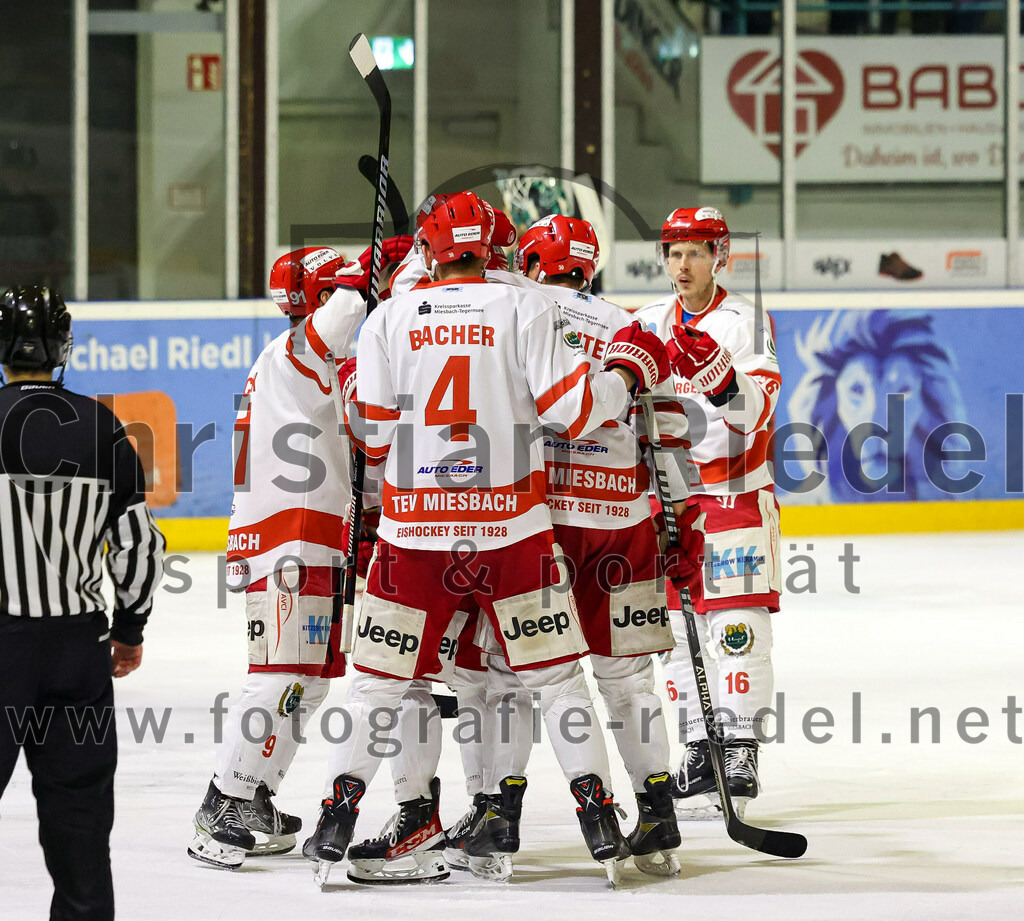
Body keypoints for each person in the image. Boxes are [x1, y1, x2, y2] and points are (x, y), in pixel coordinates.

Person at [305, 190, 671, 886]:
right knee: (558, 680)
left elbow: (373, 432)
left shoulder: (392, 314)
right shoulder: (526, 304)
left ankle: (335, 817)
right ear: (498, 249)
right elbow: (572, 409)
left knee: (378, 684)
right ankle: (598, 820)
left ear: (431, 251)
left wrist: (353, 382)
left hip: (415, 535)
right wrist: (625, 374)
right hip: (513, 533)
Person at [188, 239, 425, 871]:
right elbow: (347, 311)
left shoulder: (314, 366)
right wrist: (384, 271)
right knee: (278, 676)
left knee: (311, 682)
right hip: (286, 539)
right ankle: (222, 799)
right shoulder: (295, 350)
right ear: (321, 300)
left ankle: (255, 793)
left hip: (311, 537)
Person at [509, 213, 690, 875]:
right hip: (622, 523)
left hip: (536, 525)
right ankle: (659, 812)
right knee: (629, 677)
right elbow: (670, 434)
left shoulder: (517, 312)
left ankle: (597, 812)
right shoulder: (631, 326)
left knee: (555, 679)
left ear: (531, 261)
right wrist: (684, 526)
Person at [0, 286, 165, 921]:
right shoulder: (101, 428)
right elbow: (139, 547)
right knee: (81, 830)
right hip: (76, 655)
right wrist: (129, 628)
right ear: (62, 347)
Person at [636, 207, 782, 818]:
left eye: (695, 252)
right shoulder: (644, 322)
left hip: (736, 492)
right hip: (669, 498)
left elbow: (759, 409)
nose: (682, 264)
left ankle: (740, 748)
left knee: (736, 629)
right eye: (673, 252)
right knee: (675, 639)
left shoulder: (745, 321)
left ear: (720, 255)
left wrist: (722, 380)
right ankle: (699, 749)